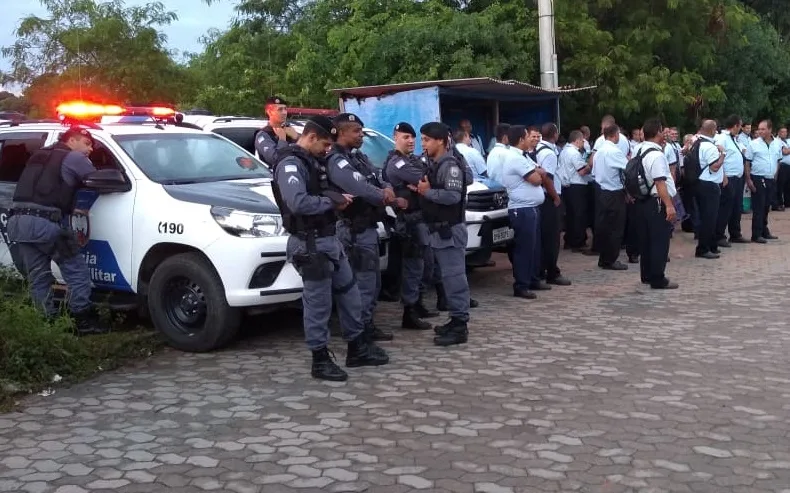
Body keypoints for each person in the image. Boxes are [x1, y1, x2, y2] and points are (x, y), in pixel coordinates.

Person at [271, 116, 389, 381]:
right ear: (311, 137)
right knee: (318, 304)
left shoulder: (313, 161)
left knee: (350, 295)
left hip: (329, 239)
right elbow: (298, 202)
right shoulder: (290, 163)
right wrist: (331, 201)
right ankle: (320, 359)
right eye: (324, 144)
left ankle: (357, 348)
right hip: (309, 244)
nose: (328, 150)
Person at [6, 126, 108, 335]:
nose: (90, 150)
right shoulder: (74, 158)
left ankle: (47, 324)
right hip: (45, 224)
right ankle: (82, 320)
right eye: (87, 144)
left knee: (38, 276)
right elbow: (99, 181)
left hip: (17, 222)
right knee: (76, 271)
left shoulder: (39, 156)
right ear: (72, 140)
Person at [327, 113, 400, 342]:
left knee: (372, 281)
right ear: (341, 132)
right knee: (362, 283)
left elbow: (377, 175)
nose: (361, 135)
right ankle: (359, 331)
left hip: (367, 226)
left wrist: (386, 187)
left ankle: (365, 324)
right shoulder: (336, 160)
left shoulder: (357, 156)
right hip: (353, 229)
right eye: (356, 131)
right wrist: (384, 197)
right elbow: (359, 188)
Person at [412, 122, 471, 346]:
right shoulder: (435, 164)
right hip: (438, 230)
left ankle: (460, 325)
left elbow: (452, 197)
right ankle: (455, 319)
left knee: (455, 279)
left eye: (426, 140)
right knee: (447, 278)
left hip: (450, 230)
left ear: (440, 141)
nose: (423, 144)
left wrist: (428, 192)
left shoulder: (450, 165)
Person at [383, 122, 439, 330]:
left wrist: (422, 180)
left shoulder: (412, 160)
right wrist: (420, 180)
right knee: (414, 268)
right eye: (406, 137)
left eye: (413, 138)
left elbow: (427, 175)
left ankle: (418, 303)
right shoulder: (396, 163)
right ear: (395, 136)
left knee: (426, 265)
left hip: (421, 219)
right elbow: (424, 178)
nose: (411, 141)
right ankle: (409, 311)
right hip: (409, 222)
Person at [500, 125, 544, 299]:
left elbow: (541, 171)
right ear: (520, 139)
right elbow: (536, 179)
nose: (530, 140)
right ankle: (521, 285)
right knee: (524, 249)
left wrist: (538, 173)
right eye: (527, 137)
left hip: (530, 208)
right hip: (522, 209)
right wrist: (538, 174)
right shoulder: (515, 158)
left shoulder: (523, 156)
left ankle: (531, 279)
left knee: (533, 248)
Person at [634, 119, 678, 289]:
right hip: (656, 201)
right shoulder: (657, 155)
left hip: (642, 200)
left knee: (645, 240)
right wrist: (669, 205)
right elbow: (660, 182)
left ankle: (646, 274)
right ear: (658, 132)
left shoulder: (639, 149)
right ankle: (658, 278)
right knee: (659, 240)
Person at [534, 123, 571, 286]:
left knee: (545, 236)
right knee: (552, 238)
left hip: (542, 197)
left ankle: (542, 270)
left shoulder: (538, 149)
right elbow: (547, 178)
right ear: (555, 134)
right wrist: (555, 197)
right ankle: (551, 272)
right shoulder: (549, 153)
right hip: (549, 198)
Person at [592, 124, 629, 271]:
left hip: (601, 191)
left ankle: (603, 258)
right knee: (616, 228)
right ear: (615, 134)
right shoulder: (614, 151)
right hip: (614, 192)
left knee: (604, 226)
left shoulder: (599, 151)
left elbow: (594, 172)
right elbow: (628, 168)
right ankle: (611, 260)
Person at [693, 119, 726, 259]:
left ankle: (711, 245)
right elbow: (714, 167)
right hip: (709, 184)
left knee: (709, 216)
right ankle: (703, 248)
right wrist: (723, 155)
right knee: (709, 218)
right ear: (713, 130)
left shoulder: (697, 143)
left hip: (700, 183)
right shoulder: (709, 147)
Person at [254, 96, 299, 167]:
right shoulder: (263, 135)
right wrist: (282, 140)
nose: (284, 112)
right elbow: (275, 159)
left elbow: (306, 155)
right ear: (269, 112)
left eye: (285, 109)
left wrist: (297, 138)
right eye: (280, 109)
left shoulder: (290, 130)